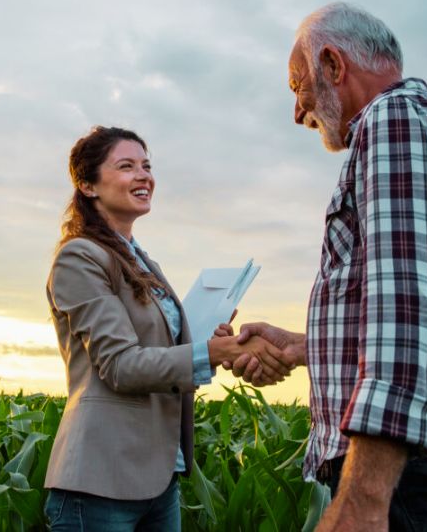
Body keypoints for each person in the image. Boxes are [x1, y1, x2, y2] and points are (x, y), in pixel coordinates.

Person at [226, 3, 427, 531]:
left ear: (334, 65)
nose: (298, 111)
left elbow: (410, 307)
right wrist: (301, 346)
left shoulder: (394, 119)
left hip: (412, 479)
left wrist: (363, 499)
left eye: (298, 86)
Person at [43, 125, 288, 531]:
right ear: (87, 185)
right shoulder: (79, 258)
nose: (144, 176)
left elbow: (164, 354)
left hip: (159, 479)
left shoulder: (144, 263)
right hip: (101, 481)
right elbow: (121, 366)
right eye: (126, 166)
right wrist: (211, 353)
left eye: (147, 165)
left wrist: (213, 342)